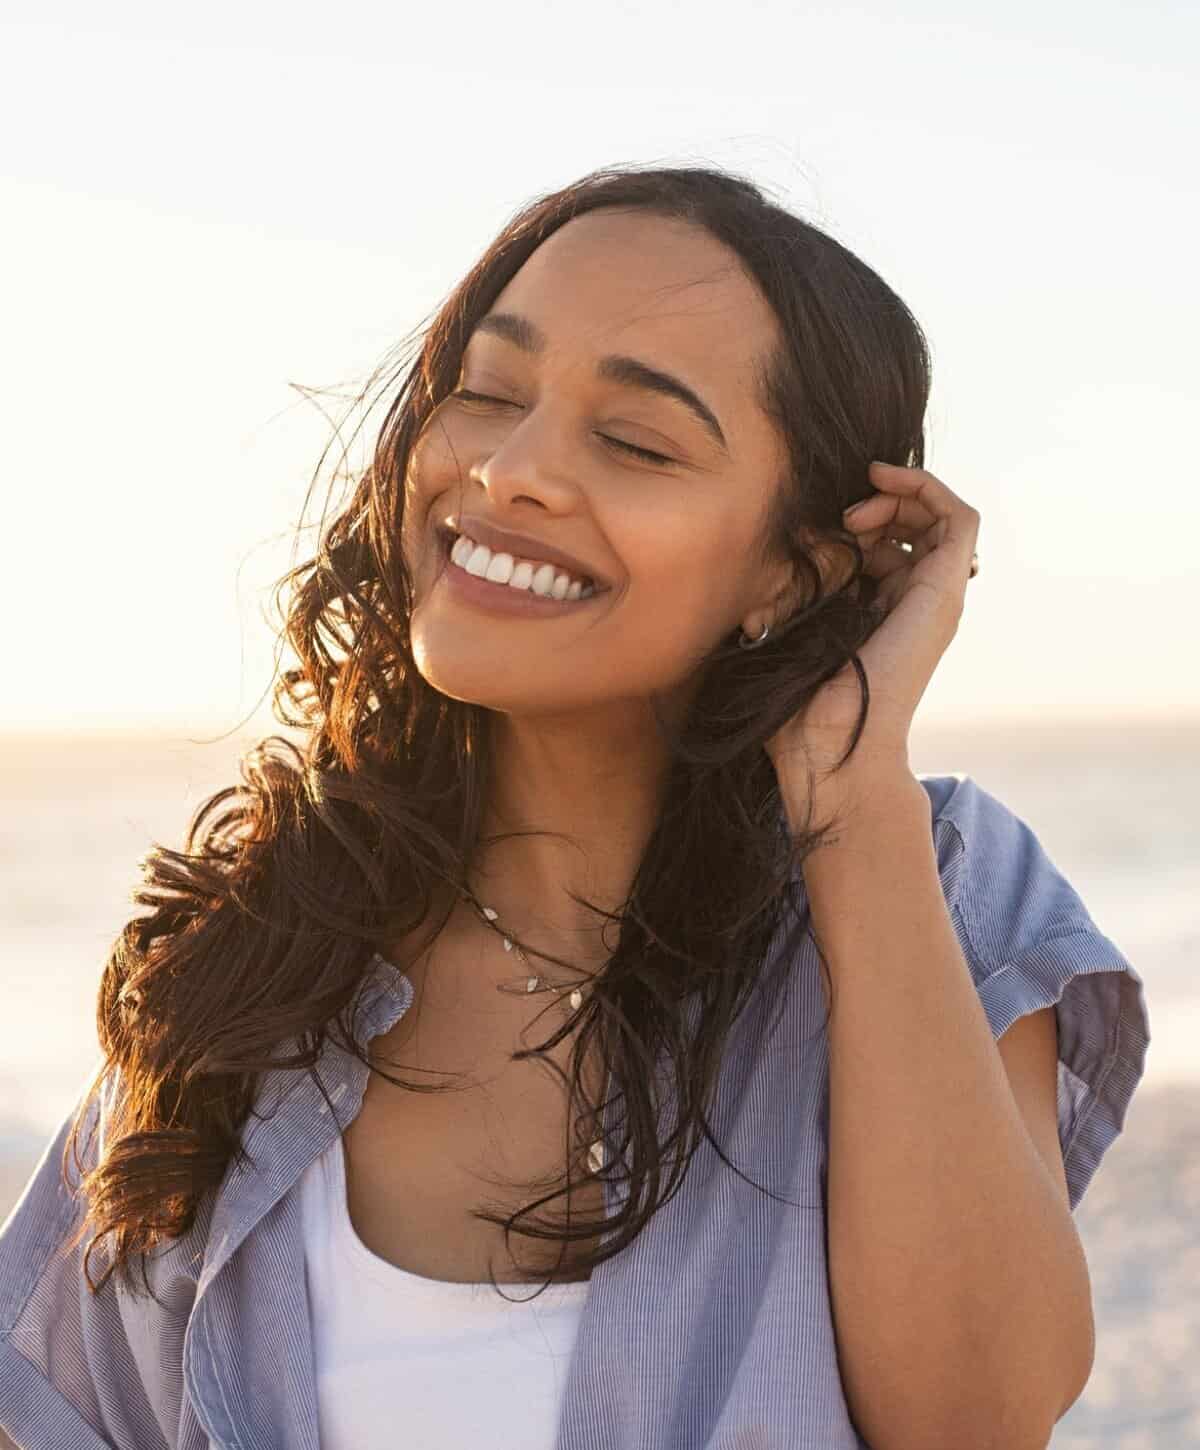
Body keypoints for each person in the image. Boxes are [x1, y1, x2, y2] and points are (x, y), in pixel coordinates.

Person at [0, 163, 1149, 1450]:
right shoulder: (244, 963)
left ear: (792, 569)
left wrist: (852, 792)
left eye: (636, 440)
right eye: (489, 393)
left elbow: (976, 1420)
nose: (512, 470)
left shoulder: (927, 880)